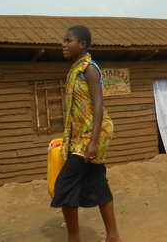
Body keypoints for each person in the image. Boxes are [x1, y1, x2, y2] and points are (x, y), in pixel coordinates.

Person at [52, 25, 122, 242]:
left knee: (62, 185)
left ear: (82, 44)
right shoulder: (75, 69)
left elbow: (99, 105)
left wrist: (92, 142)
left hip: (94, 135)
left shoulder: (89, 69)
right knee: (97, 181)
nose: (64, 44)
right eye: (63, 40)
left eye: (68, 40)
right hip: (81, 136)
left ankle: (74, 239)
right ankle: (113, 237)